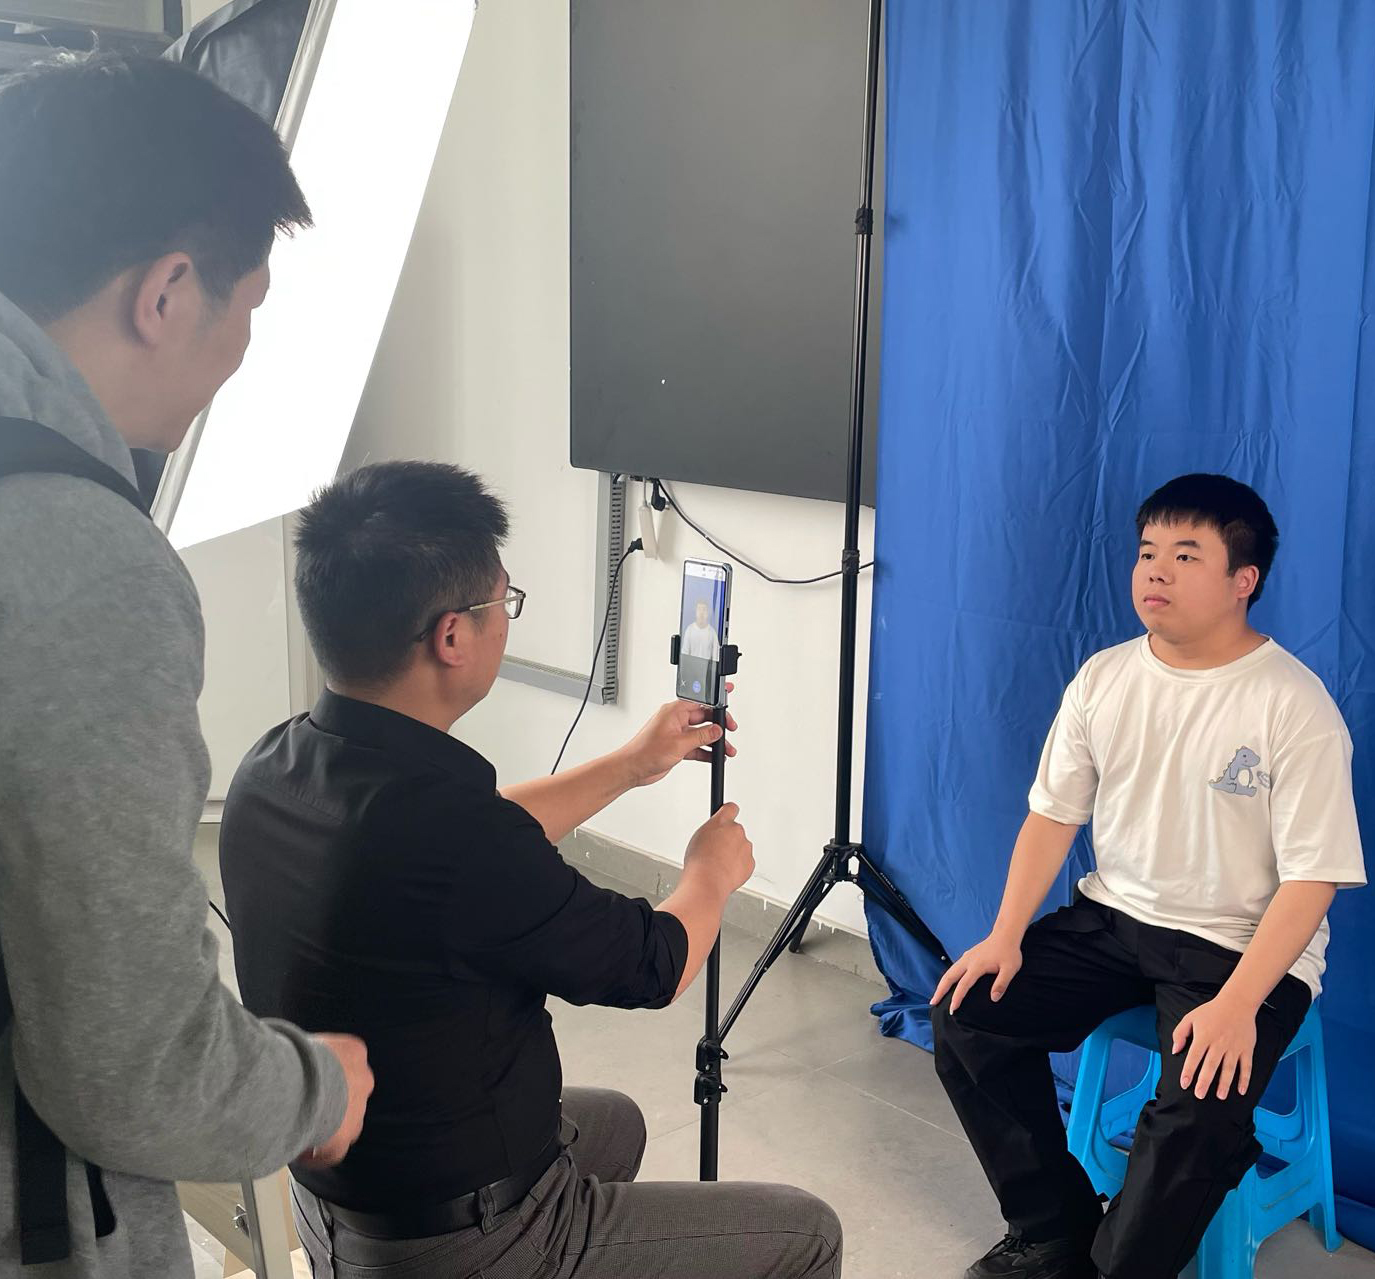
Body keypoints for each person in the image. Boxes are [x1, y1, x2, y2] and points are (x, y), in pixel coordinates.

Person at [219, 460, 843, 1278]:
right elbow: (655, 963)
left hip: (344, 1193)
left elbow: (471, 838)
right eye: (501, 603)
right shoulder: (457, 839)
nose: (505, 620)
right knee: (807, 1232)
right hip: (454, 1239)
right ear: (451, 636)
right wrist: (709, 873)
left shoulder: (272, 766)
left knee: (613, 1122)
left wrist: (631, 764)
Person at [0, 55, 374, 1278]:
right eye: (248, 307)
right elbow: (134, 1065)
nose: (242, 355)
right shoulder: (76, 555)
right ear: (166, 293)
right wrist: (315, 1086)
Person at [931, 474, 1367, 1279]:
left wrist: (1238, 1003)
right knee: (968, 1014)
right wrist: (1003, 935)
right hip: (1114, 920)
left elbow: (1312, 879)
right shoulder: (1104, 677)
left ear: (1243, 580)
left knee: (1196, 1106)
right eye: (1145, 551)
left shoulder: (1292, 706)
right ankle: (1050, 1227)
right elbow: (1051, 817)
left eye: (1185, 554)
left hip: (1239, 947)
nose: (1154, 570)